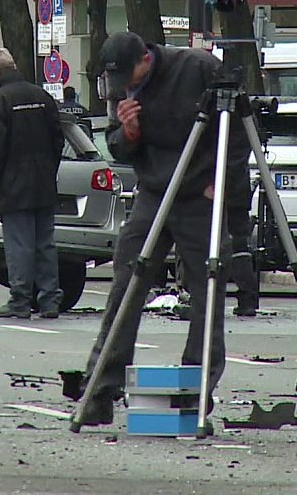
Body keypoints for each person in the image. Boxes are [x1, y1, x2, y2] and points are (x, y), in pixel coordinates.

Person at [75, 32, 249, 426]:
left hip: (197, 191)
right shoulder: (120, 86)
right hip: (154, 191)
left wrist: (220, 187)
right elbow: (117, 145)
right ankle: (101, 387)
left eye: (130, 79)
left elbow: (237, 135)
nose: (126, 89)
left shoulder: (197, 68)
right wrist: (128, 134)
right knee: (126, 285)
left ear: (145, 59)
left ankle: (196, 386)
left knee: (207, 289)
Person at [0, 48, 65, 319]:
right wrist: (49, 171)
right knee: (44, 244)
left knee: (19, 245)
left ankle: (20, 300)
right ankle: (50, 300)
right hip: (43, 184)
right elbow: (58, 140)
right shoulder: (42, 96)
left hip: (13, 186)